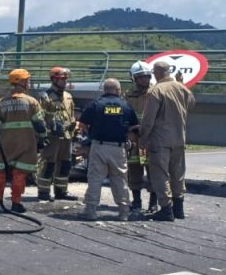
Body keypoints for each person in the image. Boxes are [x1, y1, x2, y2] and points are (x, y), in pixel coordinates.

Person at [140, 59, 196, 222]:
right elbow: (191, 103)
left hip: (160, 141)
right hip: (179, 139)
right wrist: (182, 85)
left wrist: (143, 136)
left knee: (160, 175)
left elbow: (149, 119)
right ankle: (179, 209)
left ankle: (166, 210)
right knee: (178, 174)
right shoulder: (181, 88)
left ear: (156, 72)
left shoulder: (156, 91)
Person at [78, 78, 140, 221]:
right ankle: (124, 212)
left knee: (95, 178)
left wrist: (90, 135)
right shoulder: (126, 106)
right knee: (120, 180)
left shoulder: (95, 105)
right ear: (118, 90)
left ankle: (91, 211)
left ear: (104, 90)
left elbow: (82, 124)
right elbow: (133, 127)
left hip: (98, 146)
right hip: (118, 149)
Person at [0, 68, 48, 214]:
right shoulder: (31, 102)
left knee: (1, 172)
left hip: (5, 144)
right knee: (19, 173)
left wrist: (4, 136)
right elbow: (39, 125)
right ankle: (16, 203)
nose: (29, 83)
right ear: (22, 82)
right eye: (27, 80)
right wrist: (42, 138)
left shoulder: (1, 102)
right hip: (25, 143)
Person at [35, 67, 78, 201]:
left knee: (65, 164)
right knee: (49, 164)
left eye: (65, 79)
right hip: (52, 137)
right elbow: (39, 118)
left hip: (66, 136)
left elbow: (71, 114)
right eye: (62, 79)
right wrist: (46, 133)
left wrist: (73, 126)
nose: (65, 82)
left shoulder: (68, 96)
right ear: (53, 79)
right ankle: (43, 192)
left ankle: (61, 191)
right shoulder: (45, 97)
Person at [124, 61, 155, 213]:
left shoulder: (155, 93)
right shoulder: (128, 95)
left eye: (146, 76)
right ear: (134, 79)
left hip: (149, 140)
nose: (143, 80)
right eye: (140, 77)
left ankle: (153, 203)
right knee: (134, 170)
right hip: (135, 140)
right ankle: (136, 201)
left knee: (153, 172)